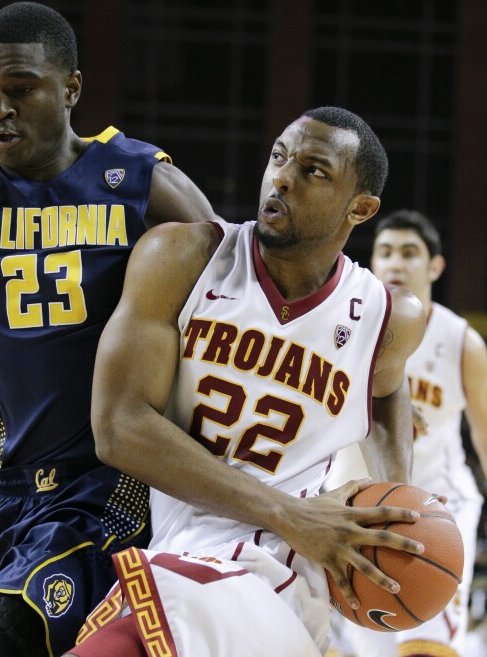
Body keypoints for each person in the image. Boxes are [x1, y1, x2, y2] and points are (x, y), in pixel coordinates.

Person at [0, 2, 217, 655]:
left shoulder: (139, 181)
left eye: (21, 89)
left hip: (107, 490)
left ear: (71, 88)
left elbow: (235, 303)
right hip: (5, 496)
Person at [62, 106, 429, 657]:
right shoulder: (183, 257)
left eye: (314, 171)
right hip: (190, 547)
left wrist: (399, 492)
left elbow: (387, 385)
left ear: (362, 207)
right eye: (279, 156)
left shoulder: (387, 317)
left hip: (282, 574)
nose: (282, 176)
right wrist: (287, 512)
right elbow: (118, 429)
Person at [330, 209, 487, 657]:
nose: (396, 263)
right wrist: (382, 411)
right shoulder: (341, 324)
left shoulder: (461, 342)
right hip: (352, 505)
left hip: (437, 508)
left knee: (426, 647)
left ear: (434, 267)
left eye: (410, 253)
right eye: (386, 252)